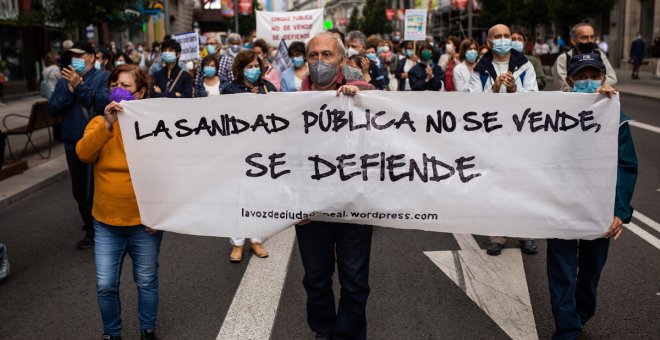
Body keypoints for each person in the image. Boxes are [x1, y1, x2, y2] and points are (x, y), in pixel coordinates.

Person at [547, 52, 638, 340]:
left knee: (590, 271)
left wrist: (619, 212)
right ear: (569, 80)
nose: (588, 81)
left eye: (593, 76)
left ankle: (581, 313)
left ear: (603, 78)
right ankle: (568, 328)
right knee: (561, 269)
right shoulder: (551, 114)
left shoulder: (616, 117)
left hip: (597, 209)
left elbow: (626, 166)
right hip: (561, 204)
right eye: (581, 77)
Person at [76, 64, 163, 340]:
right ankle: (112, 334)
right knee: (105, 285)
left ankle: (147, 330)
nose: (119, 90)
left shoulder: (154, 126)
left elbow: (167, 173)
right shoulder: (98, 123)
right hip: (106, 223)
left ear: (141, 93)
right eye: (115, 84)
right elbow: (83, 154)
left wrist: (159, 214)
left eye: (127, 86)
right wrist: (107, 124)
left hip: (143, 223)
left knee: (147, 282)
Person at [297, 32, 374, 340]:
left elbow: (387, 117)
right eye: (313, 55)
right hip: (310, 209)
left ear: (342, 60)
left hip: (354, 206)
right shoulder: (289, 102)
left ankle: (349, 335)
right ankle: (323, 329)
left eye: (326, 55)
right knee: (315, 279)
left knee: (355, 280)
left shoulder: (361, 94)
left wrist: (361, 93)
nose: (319, 62)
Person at [468, 24, 538, 255]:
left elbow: (535, 100)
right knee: (495, 185)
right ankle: (497, 235)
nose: (504, 40)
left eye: (507, 36)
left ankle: (525, 234)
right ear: (488, 42)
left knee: (522, 186)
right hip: (492, 138)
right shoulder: (480, 69)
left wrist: (515, 91)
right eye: (497, 37)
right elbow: (471, 105)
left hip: (519, 136)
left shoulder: (525, 66)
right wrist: (495, 89)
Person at [48, 41, 110, 249]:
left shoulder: (103, 77)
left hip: (98, 141)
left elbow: (102, 103)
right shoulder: (63, 80)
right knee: (80, 191)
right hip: (73, 143)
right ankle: (91, 229)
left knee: (98, 189)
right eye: (72, 55)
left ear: (91, 57)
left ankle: (102, 230)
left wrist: (80, 87)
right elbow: (53, 108)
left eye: (80, 55)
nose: (75, 59)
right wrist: (69, 89)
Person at [220, 50, 274, 261]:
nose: (253, 70)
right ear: (240, 69)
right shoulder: (229, 90)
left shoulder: (268, 88)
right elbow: (224, 118)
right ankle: (237, 243)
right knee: (237, 197)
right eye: (248, 66)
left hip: (262, 150)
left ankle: (256, 240)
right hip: (237, 149)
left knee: (259, 196)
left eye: (256, 66)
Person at [552, 23, 617, 92]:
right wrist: (591, 90)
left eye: (592, 37)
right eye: (584, 38)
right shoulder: (563, 59)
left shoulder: (599, 54)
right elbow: (563, 87)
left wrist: (597, 88)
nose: (589, 41)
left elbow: (612, 78)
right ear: (573, 41)